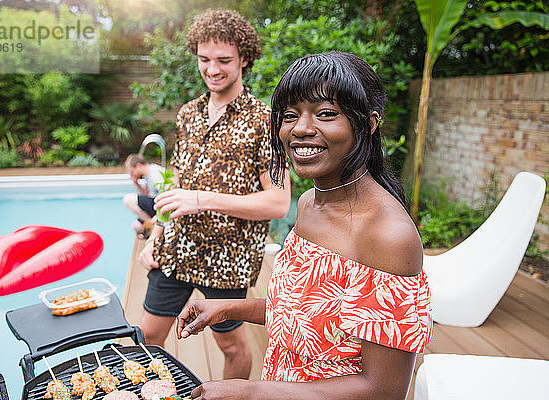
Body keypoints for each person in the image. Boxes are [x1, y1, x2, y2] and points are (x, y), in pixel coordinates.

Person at [176, 51, 433, 400]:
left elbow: (382, 389)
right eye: (290, 116)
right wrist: (229, 307)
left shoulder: (388, 236)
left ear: (369, 124)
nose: (301, 129)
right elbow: (304, 313)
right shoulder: (310, 202)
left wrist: (252, 392)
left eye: (326, 114)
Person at [138, 9, 291, 380]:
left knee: (232, 346)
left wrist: (201, 198)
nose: (212, 69)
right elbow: (174, 187)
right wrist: (154, 235)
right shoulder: (188, 114)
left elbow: (278, 202)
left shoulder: (263, 121)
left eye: (223, 60)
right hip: (175, 248)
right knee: (146, 339)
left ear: (244, 59)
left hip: (228, 259)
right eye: (204, 60)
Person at [123, 154, 164, 236]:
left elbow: (166, 193)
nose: (132, 174)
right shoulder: (147, 175)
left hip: (161, 205)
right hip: (155, 203)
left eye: (132, 171)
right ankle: (152, 225)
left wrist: (158, 215)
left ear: (138, 166)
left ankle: (155, 225)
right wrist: (136, 183)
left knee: (128, 199)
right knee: (136, 226)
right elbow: (146, 196)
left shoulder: (154, 174)